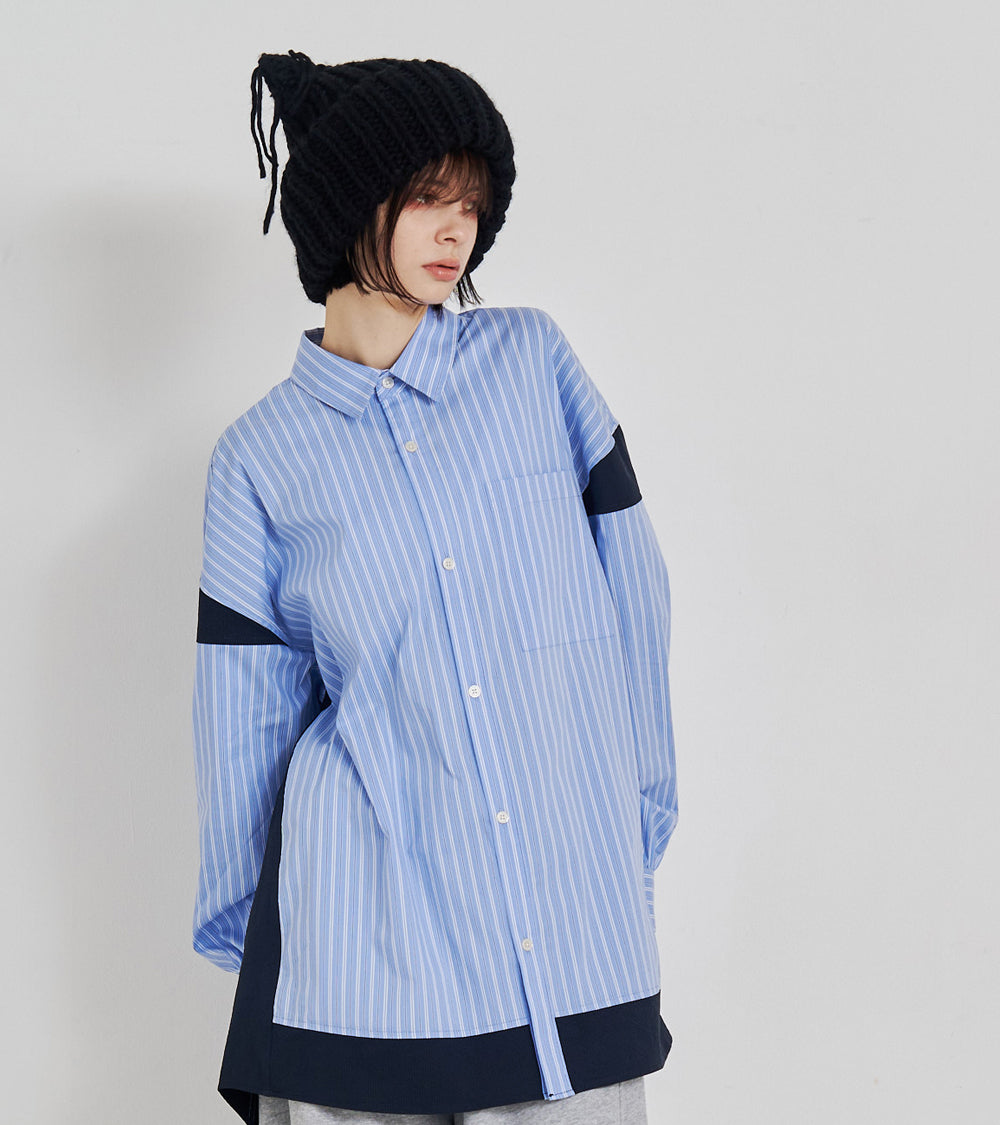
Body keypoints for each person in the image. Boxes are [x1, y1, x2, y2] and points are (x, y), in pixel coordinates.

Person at [192, 50, 678, 1125]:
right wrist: (250, 932)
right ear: (345, 207)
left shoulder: (534, 364)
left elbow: (634, 597)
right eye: (425, 198)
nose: (457, 228)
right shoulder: (260, 459)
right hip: (360, 943)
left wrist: (631, 817)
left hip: (570, 931)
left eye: (472, 203)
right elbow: (242, 718)